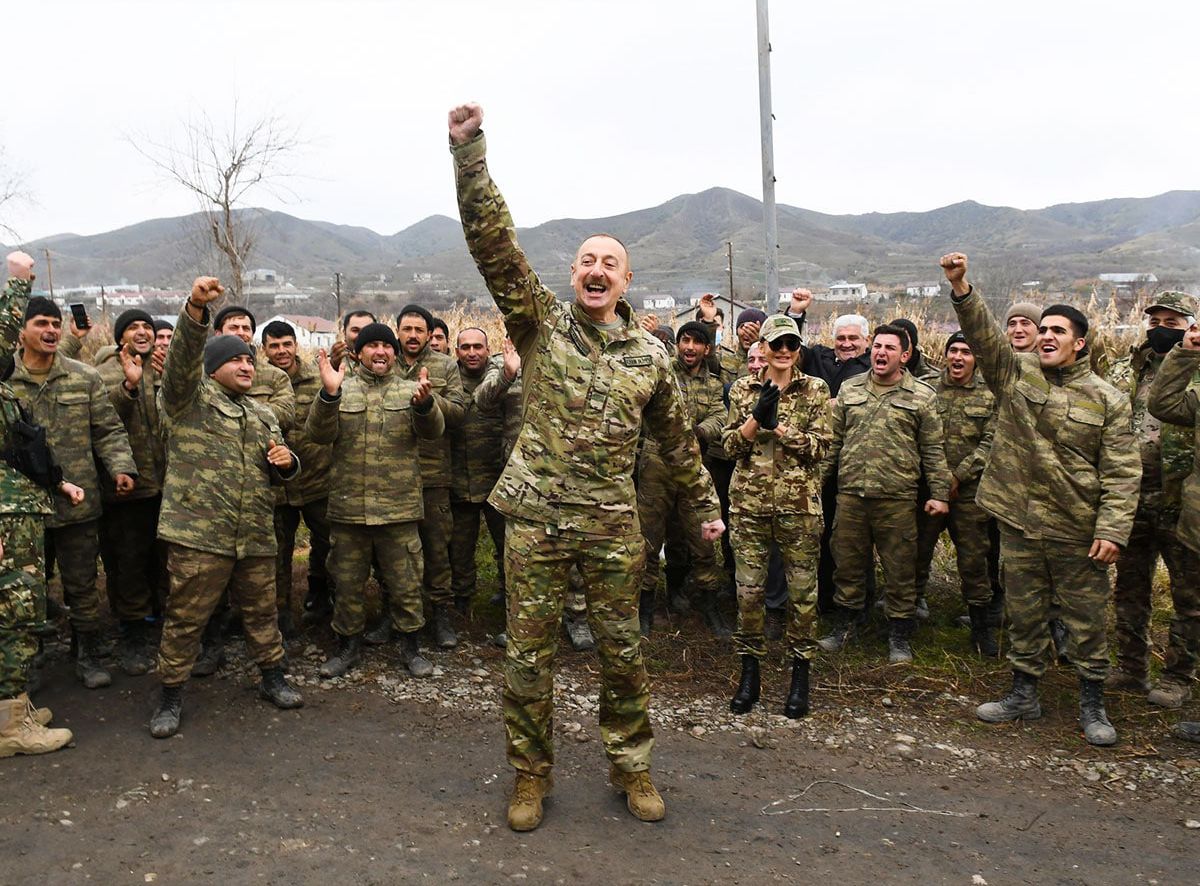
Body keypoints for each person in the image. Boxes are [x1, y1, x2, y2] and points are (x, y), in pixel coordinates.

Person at [450, 102, 722, 831]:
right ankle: (530, 777)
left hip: (609, 525)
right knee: (527, 658)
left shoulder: (652, 358)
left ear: (627, 281)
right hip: (535, 519)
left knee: (623, 652)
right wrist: (469, 153)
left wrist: (705, 507)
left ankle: (632, 769)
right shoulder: (539, 323)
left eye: (610, 263)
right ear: (572, 275)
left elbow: (679, 442)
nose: (596, 270)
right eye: (586, 261)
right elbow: (494, 246)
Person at [940, 252, 1140, 747]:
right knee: (1024, 614)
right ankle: (1023, 694)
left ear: (1080, 342)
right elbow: (985, 337)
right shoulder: (1015, 374)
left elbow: (1122, 472)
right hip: (1020, 522)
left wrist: (1112, 530)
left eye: (1058, 331)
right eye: (1042, 328)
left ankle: (1092, 702)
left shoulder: (1108, 400)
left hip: (1077, 529)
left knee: (1087, 621)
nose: (1046, 336)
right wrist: (963, 289)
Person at [150, 277, 303, 739]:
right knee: (186, 618)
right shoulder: (187, 402)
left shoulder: (262, 414)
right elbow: (179, 367)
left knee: (262, 612)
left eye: (248, 359)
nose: (245, 365)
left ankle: (272, 676)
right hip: (200, 536)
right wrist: (196, 308)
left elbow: (279, 465)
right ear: (212, 368)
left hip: (254, 533)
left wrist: (288, 463)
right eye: (234, 359)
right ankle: (170, 694)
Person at [8, 296, 137, 689]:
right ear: (22, 331)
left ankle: (88, 652)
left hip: (77, 502)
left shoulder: (84, 377)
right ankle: (30, 658)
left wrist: (121, 467)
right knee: (26, 586)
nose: (50, 331)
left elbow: (108, 429)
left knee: (82, 583)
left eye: (55, 324)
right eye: (41, 324)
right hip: (21, 508)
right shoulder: (4, 381)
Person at [308, 323, 444, 679]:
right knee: (347, 582)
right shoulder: (341, 389)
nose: (380, 351)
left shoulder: (412, 390)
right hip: (349, 510)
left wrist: (426, 405)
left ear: (394, 354)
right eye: (372, 346)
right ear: (358, 353)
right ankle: (347, 647)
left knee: (405, 583)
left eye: (387, 346)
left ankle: (411, 647)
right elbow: (317, 434)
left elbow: (434, 432)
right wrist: (328, 396)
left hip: (397, 510)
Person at [817, 323, 951, 663]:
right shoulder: (850, 390)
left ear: (904, 355)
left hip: (897, 498)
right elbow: (834, 444)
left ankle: (899, 634)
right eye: (877, 346)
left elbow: (933, 450)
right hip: (852, 496)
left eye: (890, 348)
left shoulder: (921, 396)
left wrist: (939, 494)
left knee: (900, 569)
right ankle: (846, 624)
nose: (880, 353)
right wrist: (815, 484)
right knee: (846, 564)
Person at [722, 314, 832, 717]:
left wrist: (781, 428)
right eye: (777, 344)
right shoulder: (742, 389)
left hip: (798, 508)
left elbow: (822, 448)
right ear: (763, 348)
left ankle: (800, 678)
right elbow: (730, 446)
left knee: (802, 596)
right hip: (749, 507)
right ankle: (749, 675)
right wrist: (755, 419)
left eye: (791, 344)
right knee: (748, 594)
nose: (784, 351)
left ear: (798, 349)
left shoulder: (816, 389)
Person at [0, 250, 80, 757]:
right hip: (5, 526)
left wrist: (57, 484)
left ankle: (12, 706)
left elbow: (21, 453)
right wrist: (17, 285)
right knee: (15, 612)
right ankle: (10, 727)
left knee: (19, 608)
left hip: (19, 512)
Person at [378, 304, 467, 649]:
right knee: (393, 551)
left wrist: (430, 401)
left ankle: (440, 615)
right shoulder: (385, 361)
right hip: (393, 474)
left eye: (419, 330)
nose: (412, 336)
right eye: (406, 329)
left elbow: (459, 412)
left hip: (433, 474)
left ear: (430, 334)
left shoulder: (445, 366)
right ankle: (392, 613)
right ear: (397, 331)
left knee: (436, 549)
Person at [636, 320, 727, 636]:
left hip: (693, 462)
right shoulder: (661, 370)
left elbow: (720, 416)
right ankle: (644, 610)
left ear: (706, 348)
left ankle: (707, 605)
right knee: (648, 536)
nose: (689, 347)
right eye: (684, 340)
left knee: (700, 537)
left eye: (696, 342)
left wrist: (700, 432)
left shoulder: (714, 384)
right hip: (656, 460)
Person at [913, 332, 998, 655]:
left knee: (974, 559)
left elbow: (991, 442)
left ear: (976, 358)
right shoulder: (928, 388)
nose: (958, 358)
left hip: (970, 493)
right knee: (917, 553)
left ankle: (981, 628)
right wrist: (937, 479)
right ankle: (909, 618)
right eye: (953, 351)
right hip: (928, 488)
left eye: (966, 351)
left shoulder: (989, 393)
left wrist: (958, 476)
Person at [98, 309, 168, 675]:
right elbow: (103, 422)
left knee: (165, 560)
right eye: (133, 327)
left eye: (148, 327)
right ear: (120, 336)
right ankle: (133, 631)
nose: (142, 332)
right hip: (128, 488)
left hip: (167, 484)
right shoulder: (104, 372)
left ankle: (165, 623)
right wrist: (128, 386)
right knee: (129, 562)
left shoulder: (162, 367)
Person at [1139, 311, 1200, 709]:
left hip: (1181, 502)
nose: (1162, 327)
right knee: (1134, 588)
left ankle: (1179, 676)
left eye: (1176, 322)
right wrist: (1186, 352)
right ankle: (1134, 667)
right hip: (1146, 499)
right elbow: (1162, 404)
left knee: (1190, 600)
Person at [262, 320, 333, 640]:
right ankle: (281, 613)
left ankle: (324, 600)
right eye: (274, 346)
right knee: (278, 552)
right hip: (276, 487)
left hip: (318, 481)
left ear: (296, 345)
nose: (281, 351)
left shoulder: (318, 378)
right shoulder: (256, 382)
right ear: (264, 349)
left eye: (286, 344)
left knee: (330, 545)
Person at [448, 328, 508, 615]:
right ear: (457, 350)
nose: (472, 352)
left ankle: (507, 593)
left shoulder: (503, 376)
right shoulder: (448, 379)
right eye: (465, 347)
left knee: (506, 543)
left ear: (488, 349)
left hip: (497, 477)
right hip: (459, 478)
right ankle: (462, 597)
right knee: (460, 547)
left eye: (478, 347)